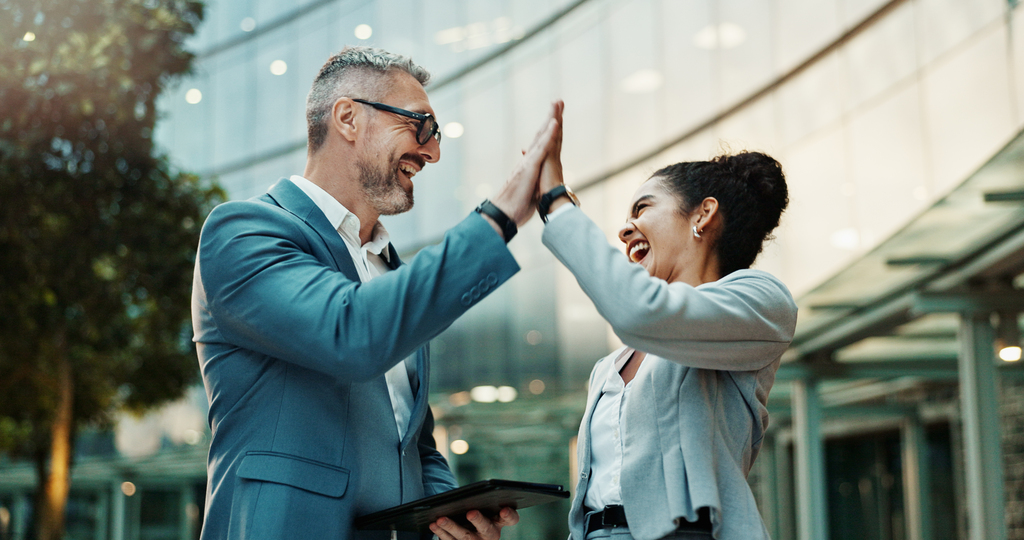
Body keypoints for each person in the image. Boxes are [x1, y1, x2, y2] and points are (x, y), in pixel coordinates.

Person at [191, 46, 558, 540]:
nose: (433, 152)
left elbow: (412, 442)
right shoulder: (243, 232)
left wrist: (453, 516)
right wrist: (498, 218)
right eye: (420, 127)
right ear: (348, 117)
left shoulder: (392, 272)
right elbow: (349, 334)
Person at [540, 103, 796, 539]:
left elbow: (643, 312)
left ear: (703, 214)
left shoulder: (761, 302)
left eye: (642, 209)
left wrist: (556, 202)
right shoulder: (608, 366)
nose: (625, 230)